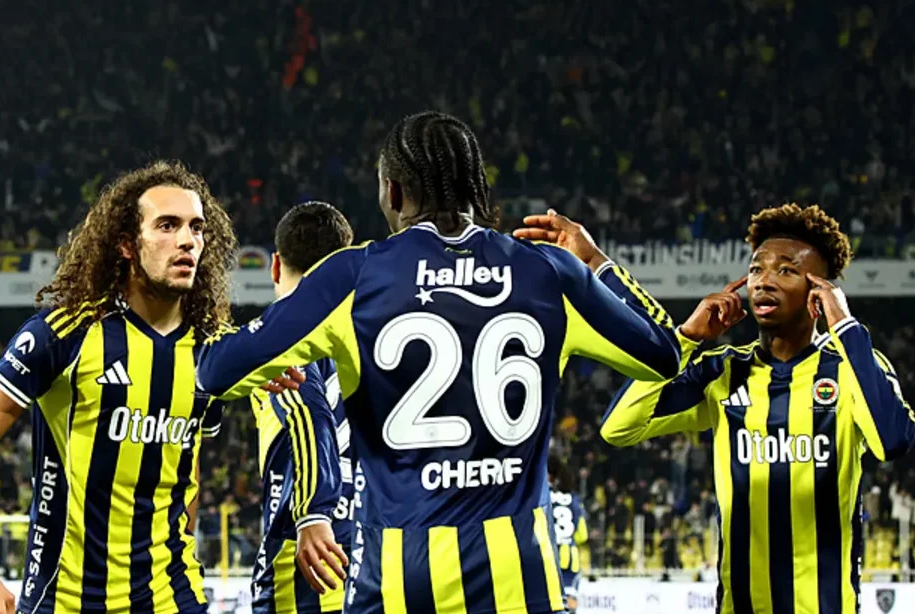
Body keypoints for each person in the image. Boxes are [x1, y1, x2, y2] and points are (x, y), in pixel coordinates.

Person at [197, 111, 683, 614]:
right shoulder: (551, 271)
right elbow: (665, 355)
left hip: (398, 584)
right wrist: (598, 263)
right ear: (477, 187)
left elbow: (215, 371)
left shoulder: (353, 276)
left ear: (393, 193)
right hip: (522, 581)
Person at [0, 160, 239, 614]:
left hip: (173, 597)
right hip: (66, 598)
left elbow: (188, 467)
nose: (187, 240)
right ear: (126, 245)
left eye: (197, 227)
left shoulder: (211, 351)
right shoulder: (66, 333)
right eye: (167, 225)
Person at [599, 203, 915, 614]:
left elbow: (891, 441)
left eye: (786, 270)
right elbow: (618, 427)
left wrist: (846, 326)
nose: (764, 281)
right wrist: (685, 338)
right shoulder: (723, 372)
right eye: (756, 269)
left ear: (819, 292)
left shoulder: (852, 367)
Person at [247, 202, 355, 614]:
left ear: (275, 266)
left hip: (306, 568)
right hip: (374, 557)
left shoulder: (279, 337)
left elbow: (307, 414)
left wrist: (313, 513)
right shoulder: (374, 333)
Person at [546, 459, 587, 614]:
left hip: (546, 556)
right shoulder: (575, 499)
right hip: (569, 557)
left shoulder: (542, 495)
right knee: (569, 604)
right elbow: (583, 535)